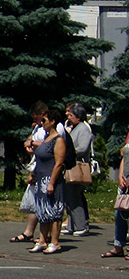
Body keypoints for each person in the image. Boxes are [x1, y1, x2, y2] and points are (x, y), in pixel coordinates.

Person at [25, 105, 67, 254]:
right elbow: (39, 160)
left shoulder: (58, 140)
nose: (42, 123)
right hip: (41, 179)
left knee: (55, 212)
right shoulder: (46, 138)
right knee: (42, 211)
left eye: (45, 120)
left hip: (52, 181)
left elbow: (59, 163)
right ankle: (42, 241)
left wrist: (51, 183)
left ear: (53, 121)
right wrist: (34, 175)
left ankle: (55, 242)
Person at [10, 101, 52, 244]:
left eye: (36, 118)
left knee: (46, 202)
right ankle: (29, 232)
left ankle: (47, 235)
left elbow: (52, 144)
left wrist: (33, 144)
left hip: (47, 168)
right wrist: (29, 143)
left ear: (42, 114)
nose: (35, 121)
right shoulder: (37, 128)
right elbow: (31, 139)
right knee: (34, 200)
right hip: (36, 166)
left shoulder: (53, 127)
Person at [62, 101, 93, 237]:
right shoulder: (75, 128)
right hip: (71, 166)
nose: (68, 117)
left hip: (78, 167)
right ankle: (72, 225)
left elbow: (83, 148)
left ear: (78, 116)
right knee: (68, 197)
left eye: (71, 115)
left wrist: (68, 152)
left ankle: (81, 225)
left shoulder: (83, 129)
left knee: (74, 196)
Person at [101, 129, 129, 260]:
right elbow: (124, 155)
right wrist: (120, 174)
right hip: (125, 180)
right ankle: (118, 247)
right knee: (120, 213)